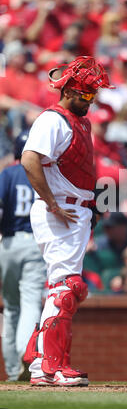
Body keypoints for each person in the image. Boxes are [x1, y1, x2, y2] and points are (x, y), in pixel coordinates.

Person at [20, 56, 114, 387]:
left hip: (75, 209)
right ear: (70, 90)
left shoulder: (79, 122)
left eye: (93, 95)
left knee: (64, 288)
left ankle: (41, 363)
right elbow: (29, 160)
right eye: (86, 94)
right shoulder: (53, 119)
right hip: (60, 210)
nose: (90, 100)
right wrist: (51, 203)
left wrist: (92, 205)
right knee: (65, 288)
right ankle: (52, 365)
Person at [0, 133, 47, 382]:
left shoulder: (7, 173)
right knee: (30, 302)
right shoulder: (41, 173)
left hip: (7, 243)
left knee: (10, 308)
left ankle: (11, 370)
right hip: (33, 243)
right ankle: (24, 354)